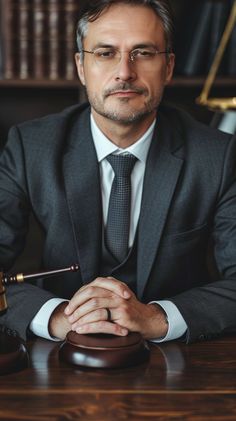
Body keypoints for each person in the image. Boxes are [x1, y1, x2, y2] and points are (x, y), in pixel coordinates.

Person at [0, 0, 236, 344]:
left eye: (143, 52)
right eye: (105, 53)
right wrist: (57, 316)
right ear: (81, 67)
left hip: (182, 361)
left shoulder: (218, 155)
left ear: (168, 67)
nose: (125, 71)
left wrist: (157, 318)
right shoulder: (29, 146)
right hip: (54, 359)